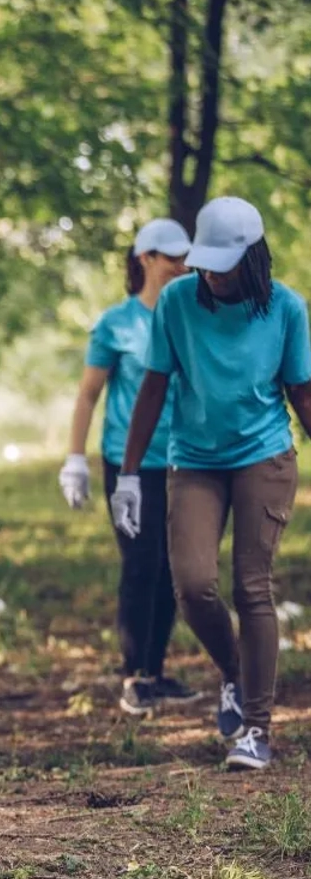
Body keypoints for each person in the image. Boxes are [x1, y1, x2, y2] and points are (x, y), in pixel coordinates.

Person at [113, 196, 311, 771]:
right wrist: (128, 474)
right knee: (193, 585)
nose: (211, 273)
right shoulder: (177, 301)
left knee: (253, 589)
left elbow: (301, 395)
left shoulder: (286, 309)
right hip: (195, 459)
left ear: (252, 259)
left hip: (264, 457)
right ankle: (234, 672)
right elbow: (153, 386)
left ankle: (256, 727)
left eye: (223, 263)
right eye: (206, 261)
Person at [60, 219, 203, 716]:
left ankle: (156, 672)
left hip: (185, 460)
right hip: (130, 463)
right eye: (171, 256)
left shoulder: (189, 315)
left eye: (186, 255)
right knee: (141, 564)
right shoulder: (116, 324)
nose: (182, 264)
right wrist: (75, 458)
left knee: (174, 569)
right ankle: (132, 676)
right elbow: (87, 395)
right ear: (145, 258)